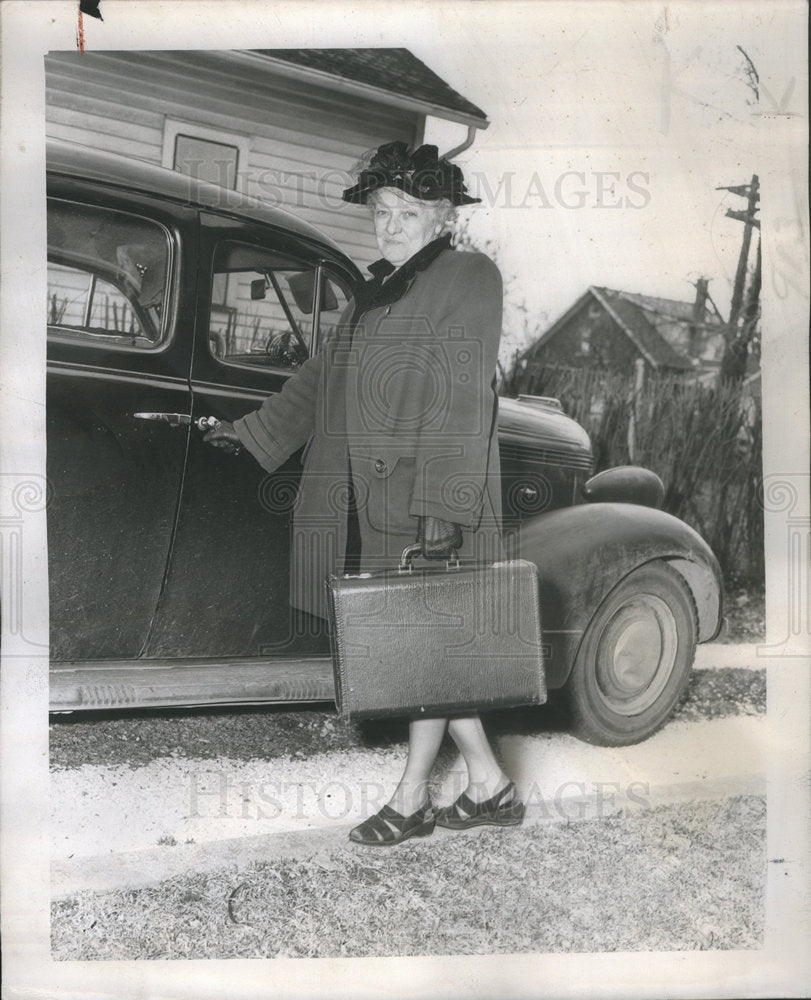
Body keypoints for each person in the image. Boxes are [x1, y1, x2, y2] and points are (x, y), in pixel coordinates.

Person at [204, 141, 524, 845]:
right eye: (381, 211)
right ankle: (490, 785)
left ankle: (410, 800)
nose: (389, 224)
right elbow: (322, 378)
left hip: (428, 499)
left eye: (406, 211)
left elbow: (462, 393)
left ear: (441, 217)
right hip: (371, 498)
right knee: (424, 646)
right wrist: (251, 432)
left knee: (418, 649)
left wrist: (440, 510)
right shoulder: (377, 293)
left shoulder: (467, 275)